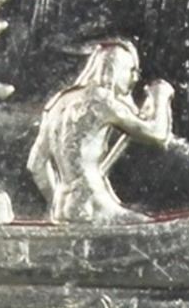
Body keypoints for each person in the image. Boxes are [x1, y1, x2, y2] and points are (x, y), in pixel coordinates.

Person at [28, 39, 173, 224]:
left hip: (63, 205)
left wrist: (57, 200)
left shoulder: (58, 103)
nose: (135, 79)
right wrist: (160, 96)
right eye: (131, 71)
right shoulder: (103, 102)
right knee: (146, 227)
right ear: (115, 69)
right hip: (93, 201)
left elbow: (36, 164)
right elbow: (157, 133)